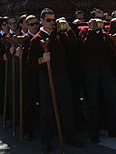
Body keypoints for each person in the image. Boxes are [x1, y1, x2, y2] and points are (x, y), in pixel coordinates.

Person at [28, 8, 84, 153]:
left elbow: (73, 43)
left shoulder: (59, 34)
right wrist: (42, 59)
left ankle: (70, 137)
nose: (52, 23)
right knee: (47, 109)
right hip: (47, 77)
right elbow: (31, 61)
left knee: (67, 107)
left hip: (62, 75)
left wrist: (66, 26)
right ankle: (47, 140)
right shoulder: (36, 39)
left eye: (53, 20)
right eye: (48, 20)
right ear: (42, 21)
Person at [79, 16, 116, 143]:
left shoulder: (104, 34)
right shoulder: (85, 32)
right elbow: (86, 46)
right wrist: (90, 30)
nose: (97, 25)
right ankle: (93, 132)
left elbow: (109, 49)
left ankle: (114, 128)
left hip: (105, 69)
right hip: (91, 71)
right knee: (93, 101)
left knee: (112, 98)